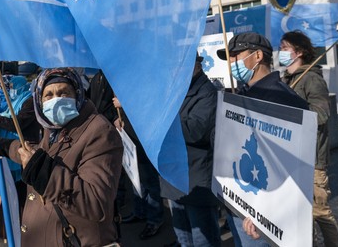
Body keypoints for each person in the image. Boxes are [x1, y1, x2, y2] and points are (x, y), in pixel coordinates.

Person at [0, 67, 123, 246]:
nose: (56, 100)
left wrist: (43, 172)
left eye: (64, 93)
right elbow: (35, 154)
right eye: (48, 95)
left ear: (78, 95)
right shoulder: (52, 129)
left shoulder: (99, 131)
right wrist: (2, 146)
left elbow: (96, 201)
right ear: (39, 101)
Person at [217, 32, 308, 247]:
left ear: (257, 56)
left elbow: (293, 169)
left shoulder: (283, 99)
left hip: (261, 218)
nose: (231, 63)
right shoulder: (242, 94)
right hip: (239, 203)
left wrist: (268, 215)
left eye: (236, 55)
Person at [280, 31, 338, 246]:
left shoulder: (312, 78)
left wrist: (292, 108)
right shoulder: (286, 79)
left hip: (312, 160)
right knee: (299, 213)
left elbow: (322, 114)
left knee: (321, 213)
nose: (281, 53)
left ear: (299, 52)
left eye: (285, 48)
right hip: (291, 156)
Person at [160, 53, 221, 247]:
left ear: (196, 65)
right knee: (183, 238)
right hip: (175, 176)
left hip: (195, 176)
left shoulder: (208, 92)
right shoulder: (176, 90)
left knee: (203, 239)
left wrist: (161, 123)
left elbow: (196, 130)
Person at [114, 95, 165, 240]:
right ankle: (140, 211)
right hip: (131, 138)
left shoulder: (147, 81)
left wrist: (125, 102)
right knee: (136, 178)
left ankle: (155, 219)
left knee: (150, 182)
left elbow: (148, 105)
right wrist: (121, 117)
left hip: (145, 139)